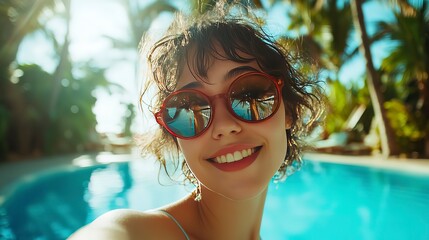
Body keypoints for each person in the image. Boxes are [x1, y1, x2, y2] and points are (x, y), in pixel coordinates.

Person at [69, 1, 323, 239]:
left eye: (249, 95)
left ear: (288, 110)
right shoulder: (133, 232)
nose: (224, 126)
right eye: (191, 108)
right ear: (174, 135)